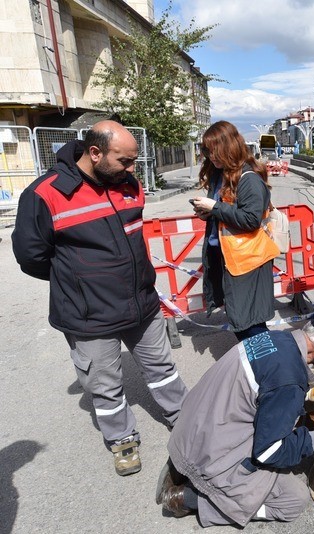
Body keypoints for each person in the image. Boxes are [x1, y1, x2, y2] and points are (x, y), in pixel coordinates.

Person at [11, 120, 188, 476]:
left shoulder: (128, 184)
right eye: (124, 160)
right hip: (89, 316)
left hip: (141, 303)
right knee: (105, 386)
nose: (132, 169)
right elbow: (31, 256)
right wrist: (77, 282)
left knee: (163, 370)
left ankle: (184, 419)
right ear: (95, 153)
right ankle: (122, 441)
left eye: (133, 160)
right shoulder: (46, 194)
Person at [158, 303, 314, 527]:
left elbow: (262, 391)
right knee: (293, 500)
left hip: (191, 432)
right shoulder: (288, 381)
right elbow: (269, 452)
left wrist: (308, 393)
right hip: (209, 454)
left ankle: (180, 466)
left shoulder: (277, 339)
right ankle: (187, 498)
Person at [191, 121, 277, 341]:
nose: (211, 157)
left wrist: (215, 207)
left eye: (215, 151)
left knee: (249, 322)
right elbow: (228, 213)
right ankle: (258, 365)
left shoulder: (249, 179)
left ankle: (266, 366)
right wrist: (209, 213)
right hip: (232, 258)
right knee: (241, 319)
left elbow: (250, 219)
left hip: (248, 260)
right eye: (208, 152)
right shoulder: (222, 174)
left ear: (229, 147)